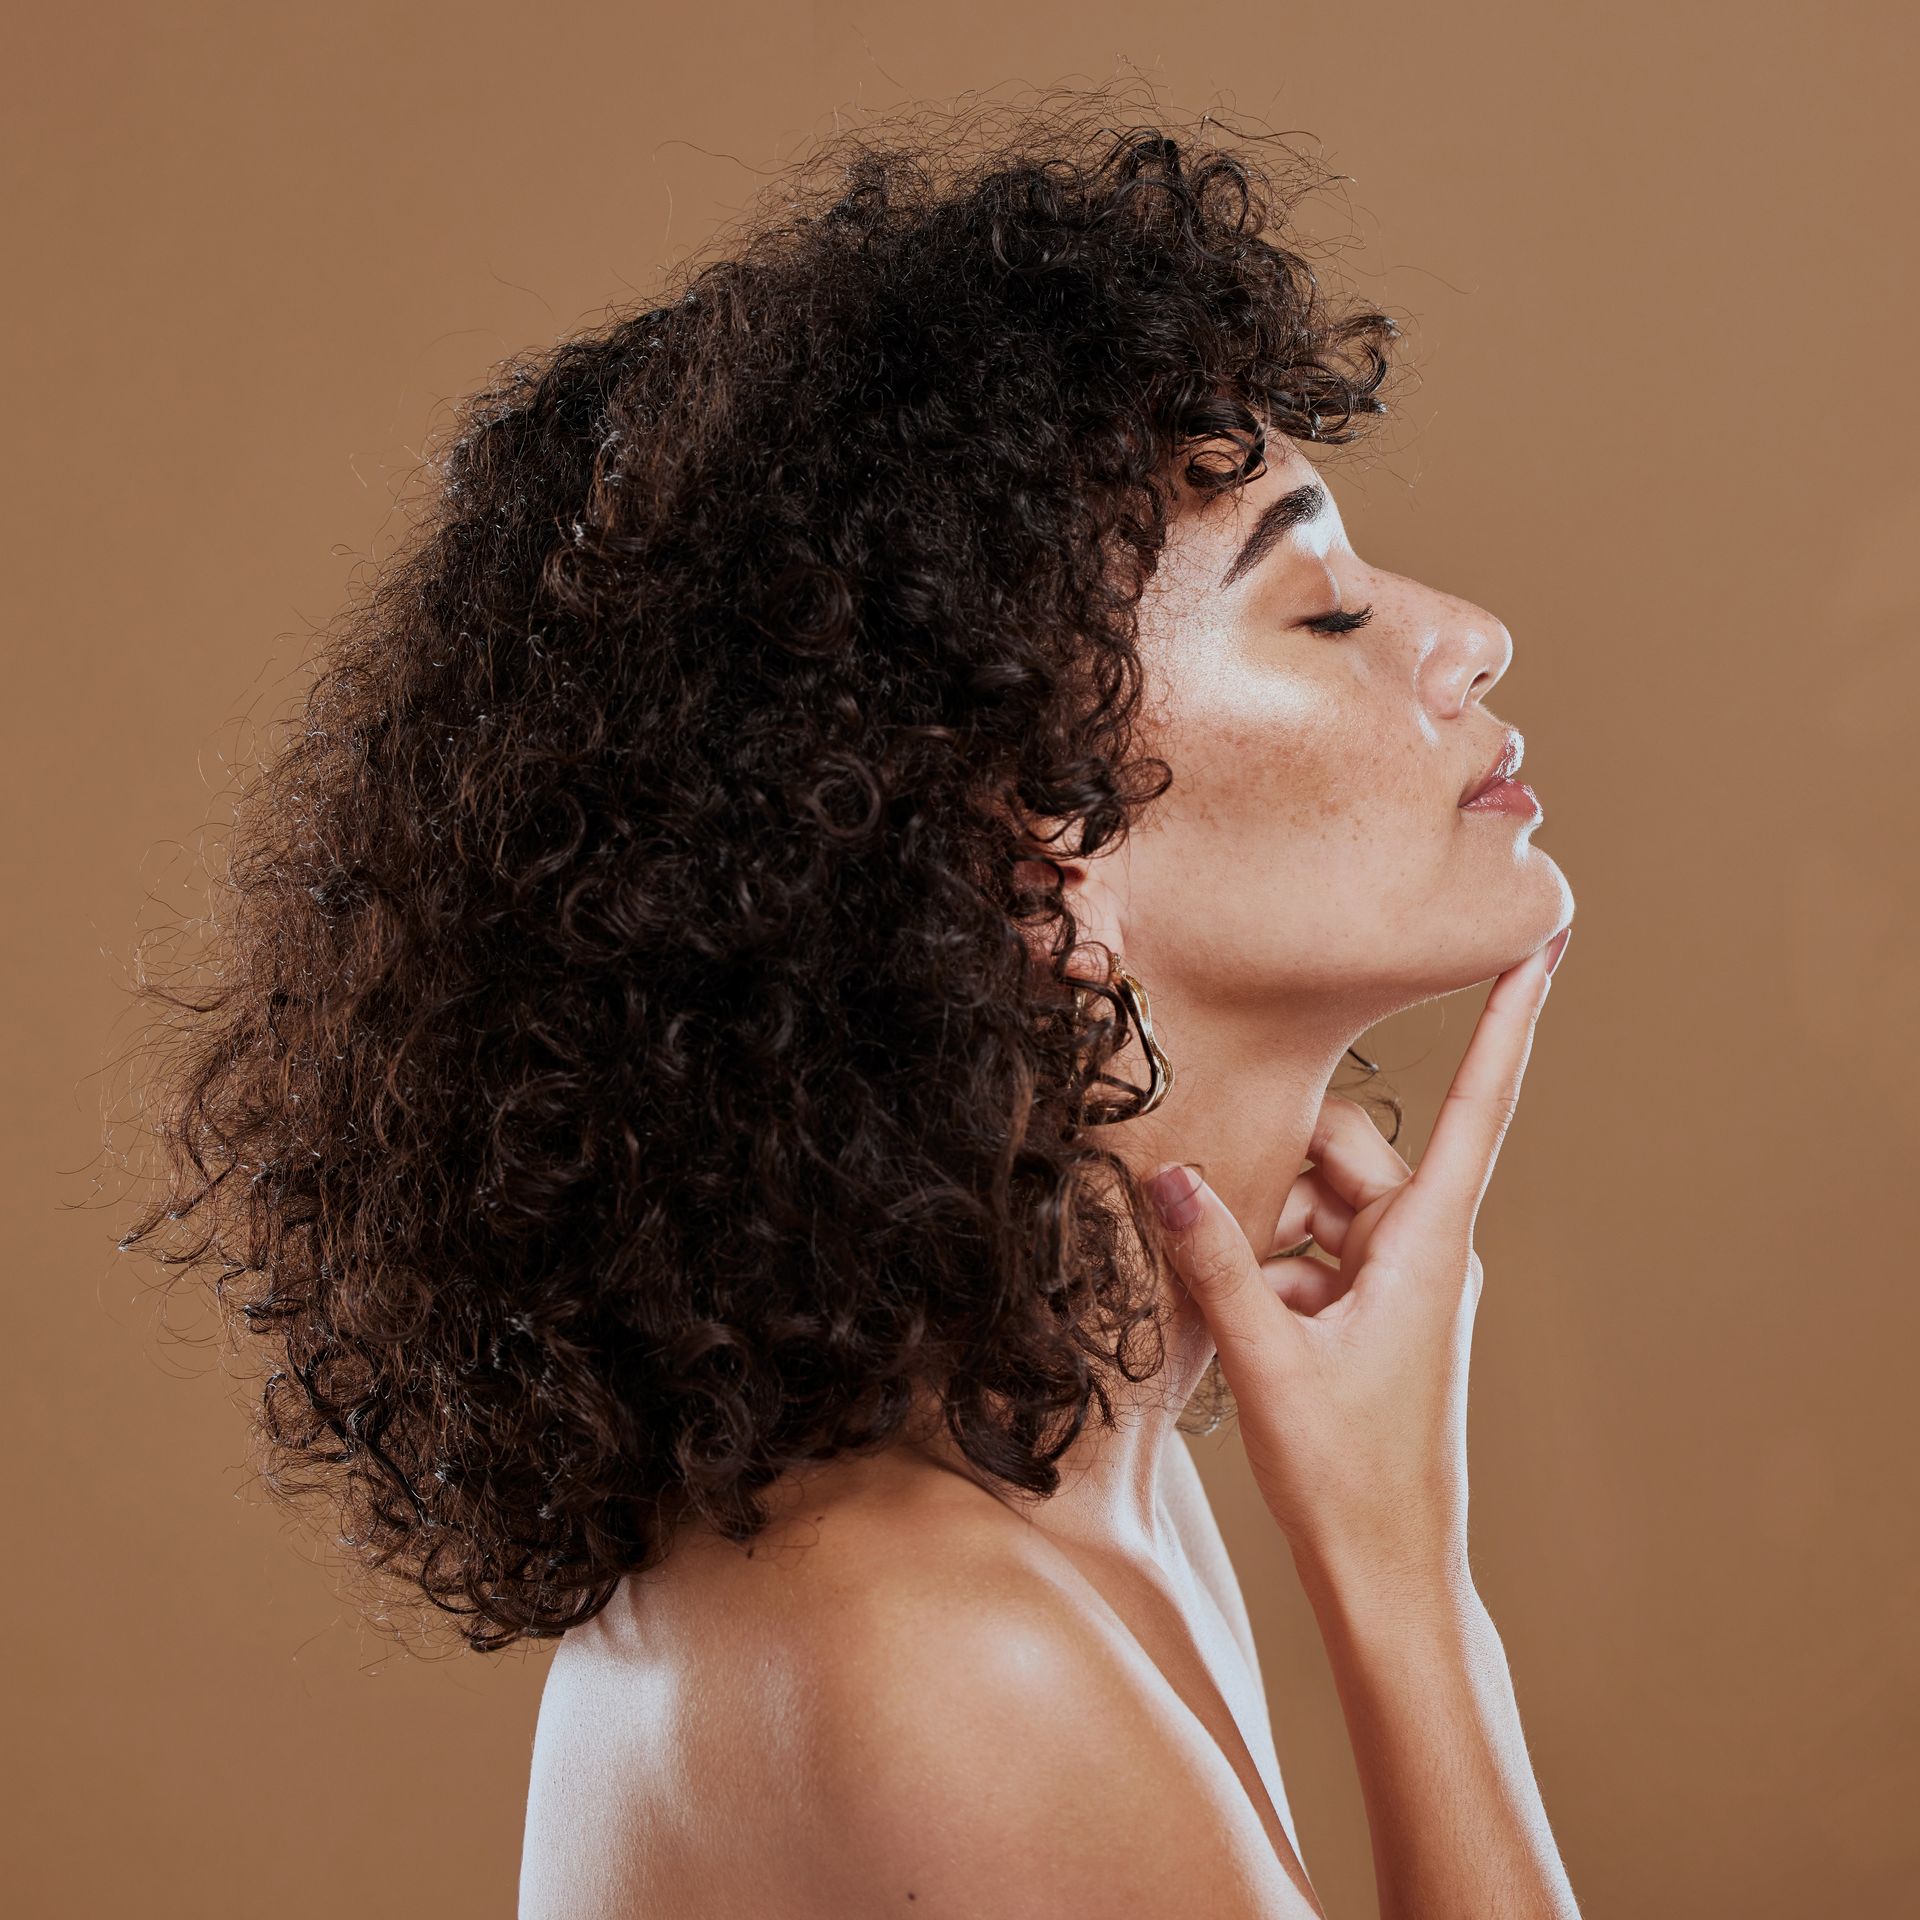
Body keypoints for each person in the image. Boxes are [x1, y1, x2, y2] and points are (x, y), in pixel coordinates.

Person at [122, 85, 1580, 1918]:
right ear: (1028, 849)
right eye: (1324, 611)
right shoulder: (950, 1659)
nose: (1467, 634)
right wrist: (1406, 1592)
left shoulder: (1061, 1492)